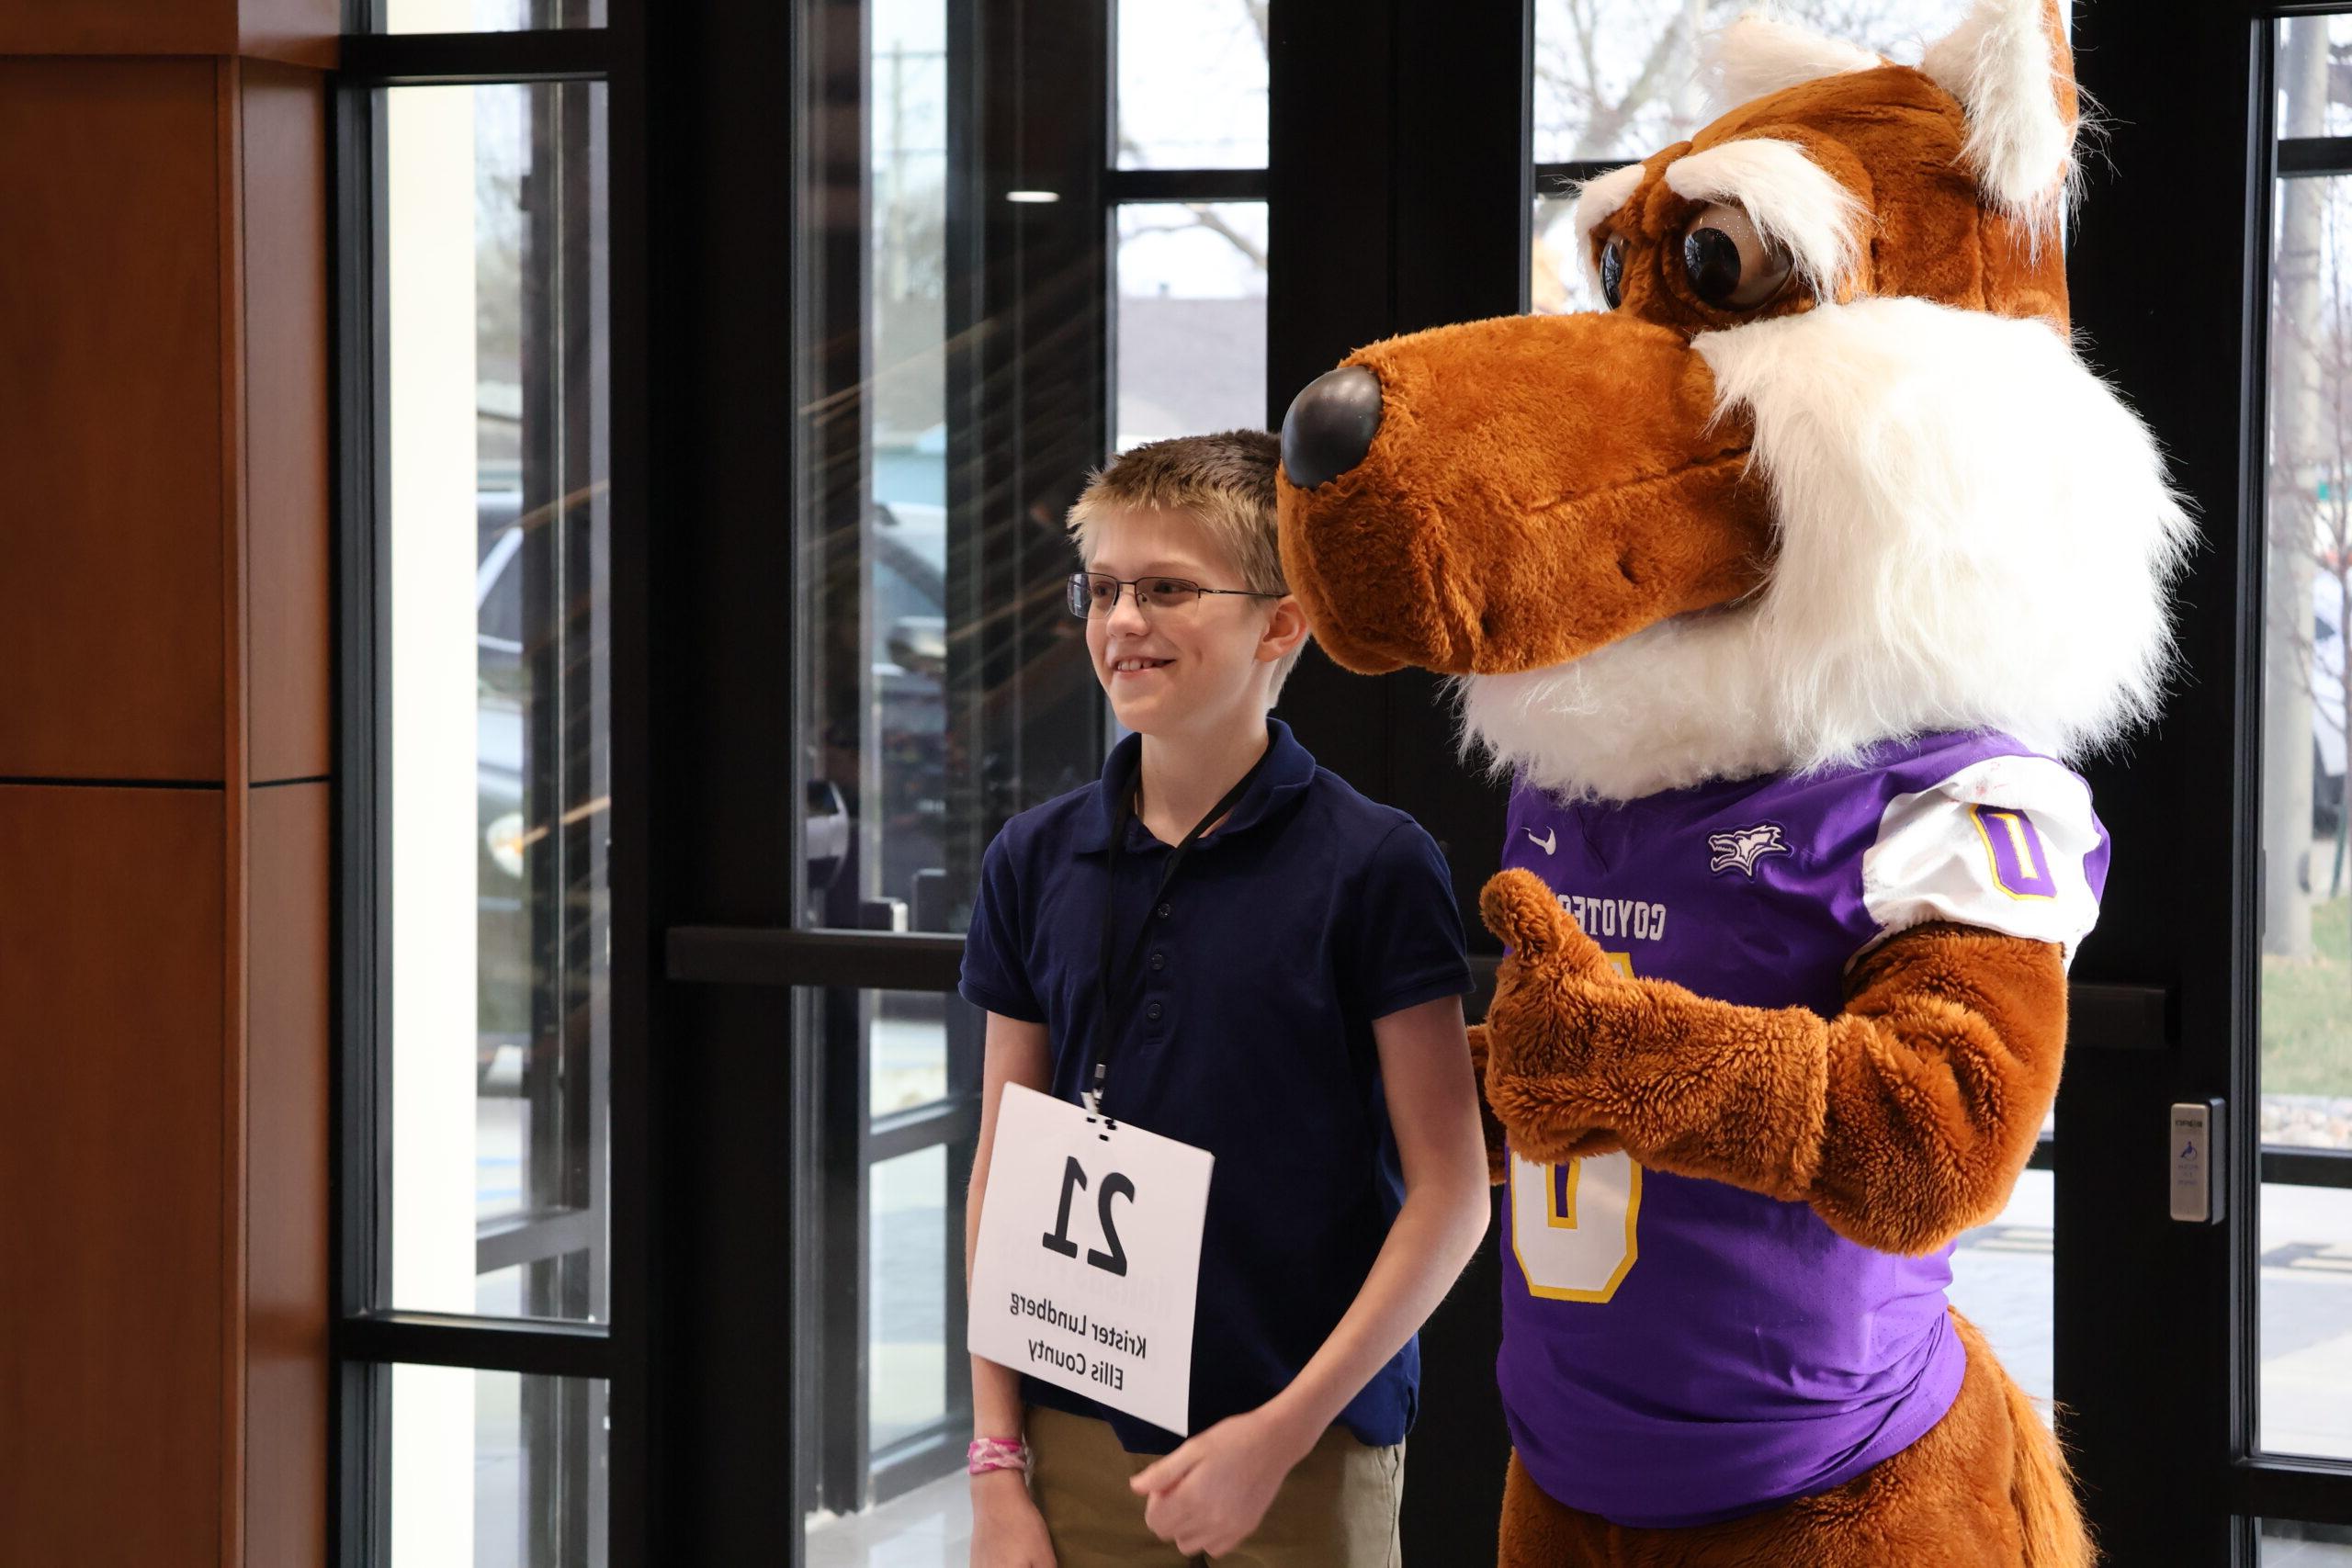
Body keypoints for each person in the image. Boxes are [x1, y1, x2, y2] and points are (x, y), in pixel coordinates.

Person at [959, 429, 1492, 1567]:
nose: (1121, 622)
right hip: (1073, 1434)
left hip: (1296, 1448)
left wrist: (1278, 1435)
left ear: (1279, 624)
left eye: (1165, 588)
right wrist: (997, 1467)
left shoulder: (1374, 864)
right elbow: (1006, 1164)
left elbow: (1452, 1196)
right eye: (1101, 589)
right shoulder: (1032, 858)